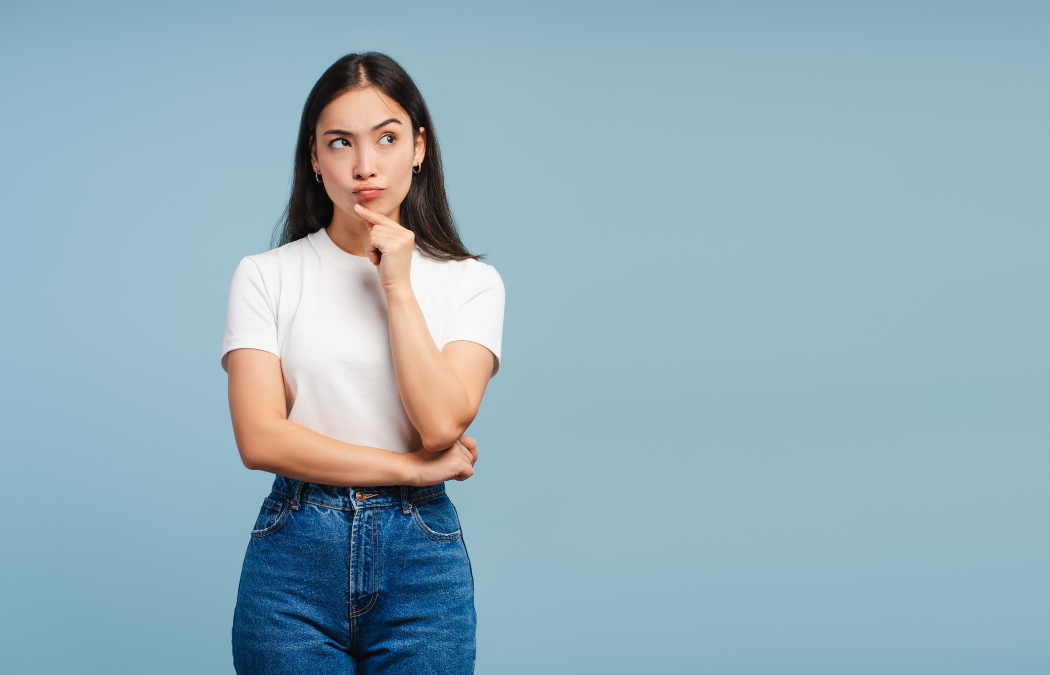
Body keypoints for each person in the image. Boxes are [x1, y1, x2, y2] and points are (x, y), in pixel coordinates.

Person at [221, 52, 504, 675]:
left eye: (386, 137)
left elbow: (439, 426)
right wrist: (408, 469)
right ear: (315, 159)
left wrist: (398, 284)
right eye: (340, 142)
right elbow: (259, 437)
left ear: (419, 147)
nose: (365, 165)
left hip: (422, 562)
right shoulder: (265, 276)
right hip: (293, 559)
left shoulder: (472, 284)